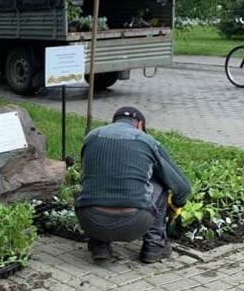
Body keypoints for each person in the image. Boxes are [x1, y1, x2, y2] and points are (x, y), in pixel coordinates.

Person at [75, 107, 190, 264]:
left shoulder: (91, 137)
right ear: (139, 125)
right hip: (134, 224)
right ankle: (154, 246)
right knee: (161, 185)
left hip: (91, 221)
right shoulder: (146, 141)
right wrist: (176, 206)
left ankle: (99, 245)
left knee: (95, 182)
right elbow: (182, 188)